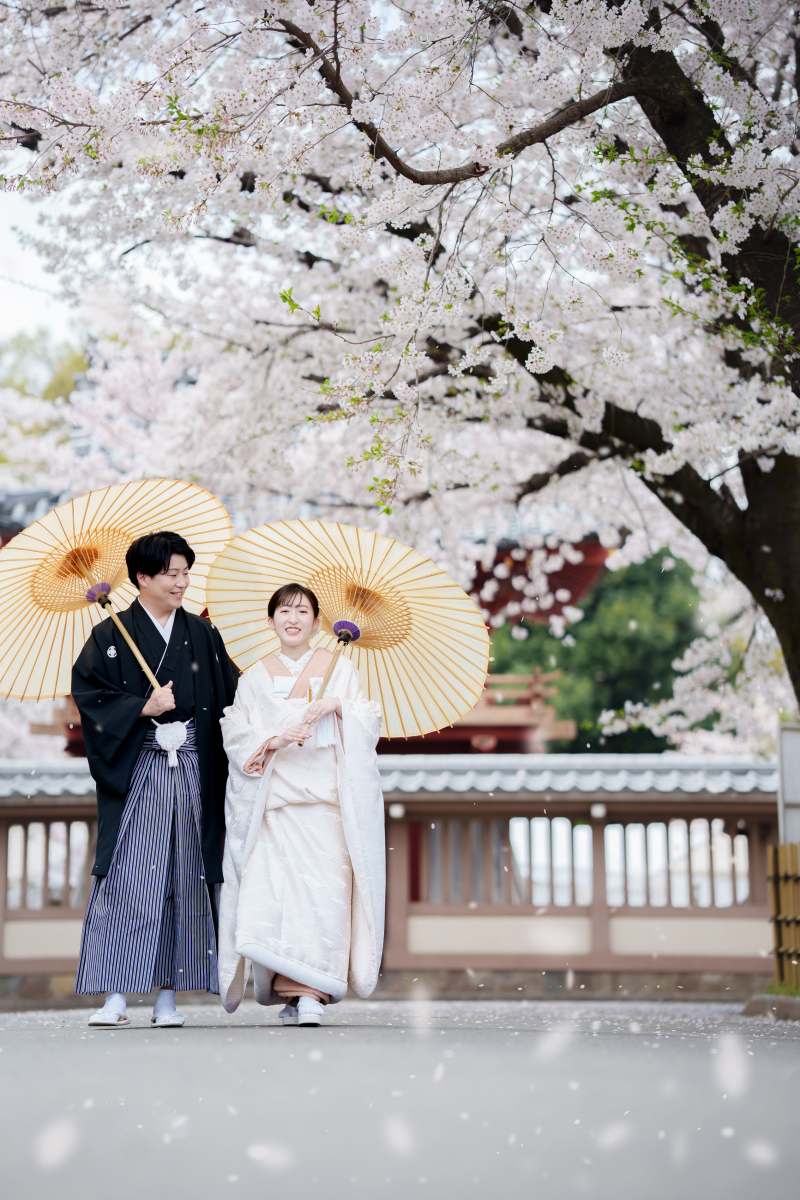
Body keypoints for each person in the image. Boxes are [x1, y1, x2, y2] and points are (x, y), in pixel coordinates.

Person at [72, 531, 237, 1027]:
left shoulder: (202, 633)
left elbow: (231, 700)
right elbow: (90, 696)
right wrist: (142, 706)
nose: (182, 583)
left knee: (184, 877)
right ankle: (115, 996)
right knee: (128, 875)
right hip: (139, 766)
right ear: (142, 578)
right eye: (171, 574)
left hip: (192, 768)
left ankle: (168, 997)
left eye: (186, 573)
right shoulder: (110, 636)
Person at [218, 584, 385, 1026]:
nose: (293, 619)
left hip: (324, 805)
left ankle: (311, 994)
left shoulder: (340, 669)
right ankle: (291, 994)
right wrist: (275, 738)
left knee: (321, 899)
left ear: (316, 622)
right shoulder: (253, 678)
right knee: (274, 899)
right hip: (274, 808)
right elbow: (234, 730)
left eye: (303, 612)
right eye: (284, 611)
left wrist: (338, 705)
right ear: (271, 620)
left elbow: (369, 720)